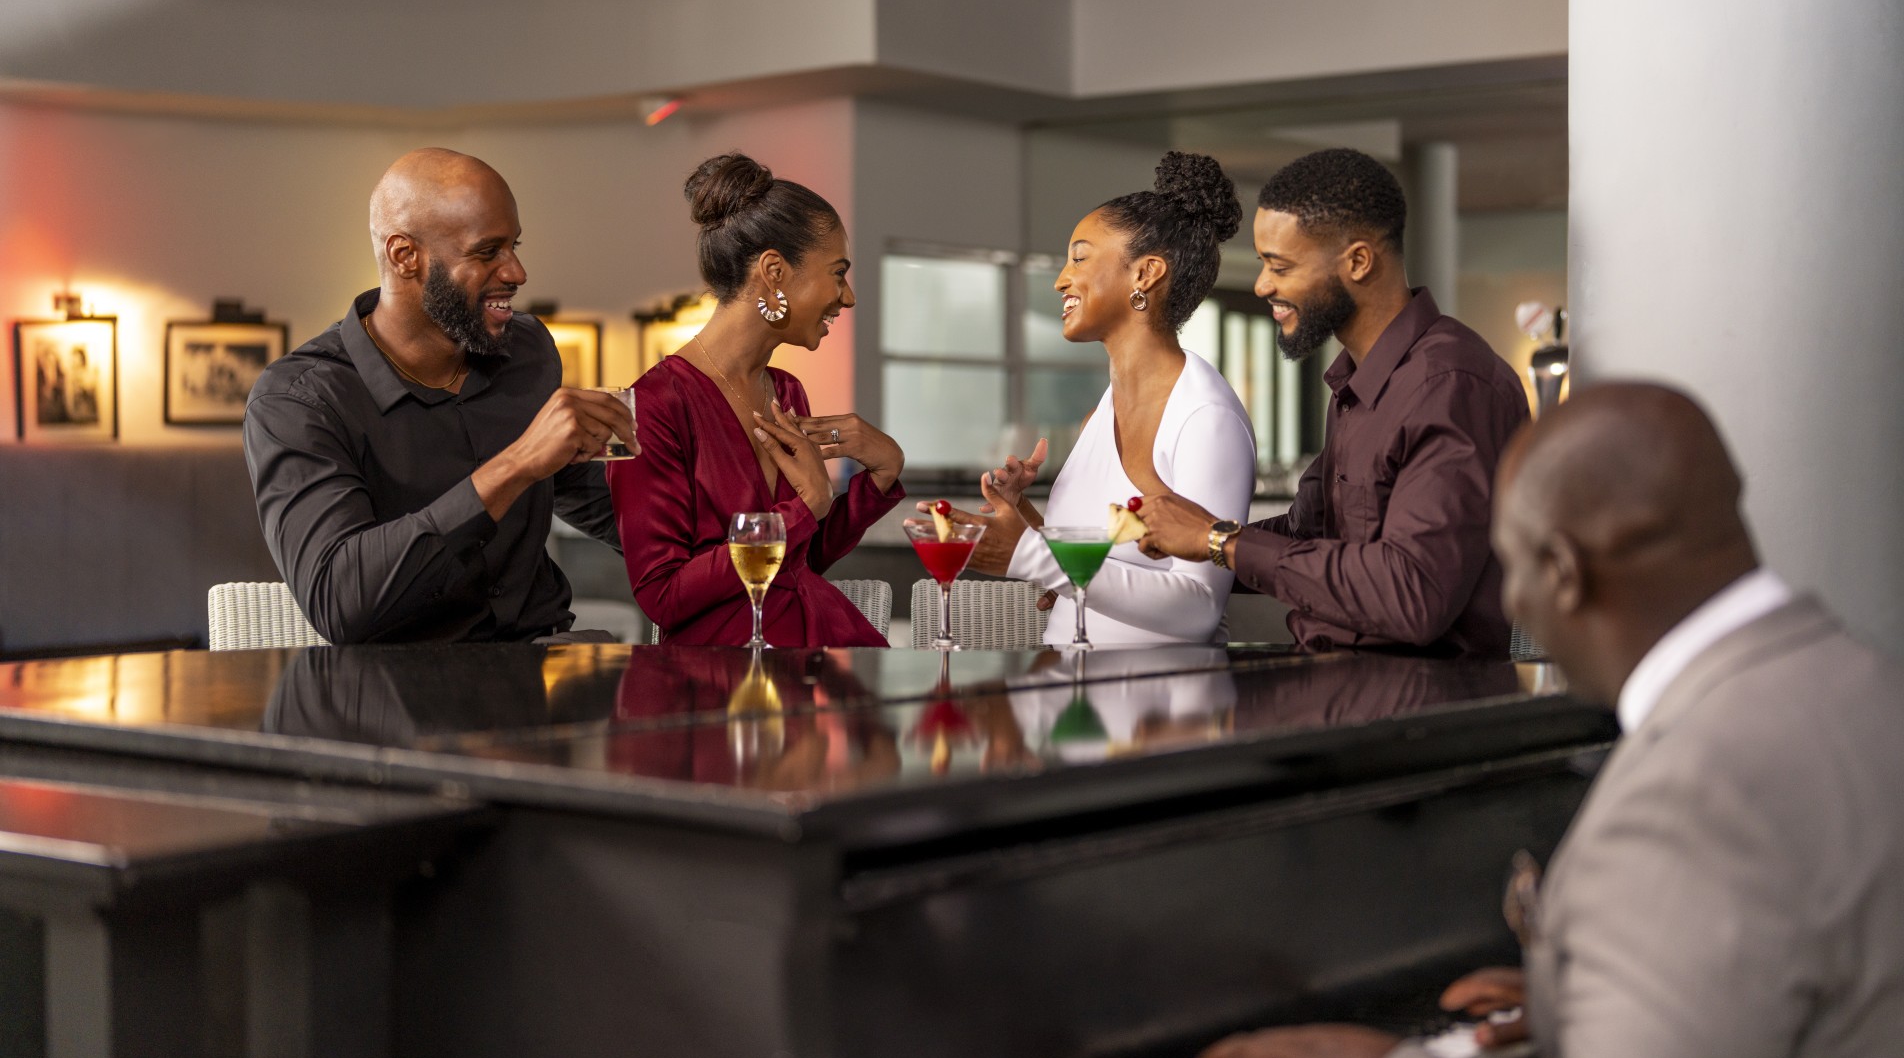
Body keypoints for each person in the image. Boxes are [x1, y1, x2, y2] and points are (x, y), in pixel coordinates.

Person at [1184, 383, 1904, 1058]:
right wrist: (1600, 1014)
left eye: (1514, 565)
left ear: (1564, 572)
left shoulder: (1689, 801)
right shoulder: (1884, 690)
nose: (1512, 599)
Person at [1138, 148, 1528, 656]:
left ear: (1359, 262)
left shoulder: (1451, 384)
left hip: (1411, 703)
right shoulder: (1357, 382)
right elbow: (1306, 533)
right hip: (1333, 680)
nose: (1261, 285)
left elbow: (1412, 593)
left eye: (1279, 266)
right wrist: (1158, 552)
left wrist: (1221, 542)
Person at [245, 148, 636, 645]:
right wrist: (513, 466)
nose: (516, 272)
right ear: (405, 256)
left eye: (514, 246)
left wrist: (732, 532)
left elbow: (580, 489)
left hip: (544, 667)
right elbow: (339, 601)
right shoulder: (299, 400)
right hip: (401, 694)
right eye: (487, 251)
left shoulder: (528, 351)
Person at [936, 151, 1256, 647]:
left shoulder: (1205, 419)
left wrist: (1028, 554)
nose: (1061, 279)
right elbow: (1097, 566)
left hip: (1162, 707)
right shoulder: (1098, 415)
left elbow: (1198, 608)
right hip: (1072, 694)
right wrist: (1022, 518)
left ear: (1146, 273)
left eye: (1080, 257)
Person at [610, 153, 904, 646]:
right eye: (837, 272)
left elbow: (800, 560)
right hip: (722, 679)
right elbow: (662, 594)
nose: (847, 297)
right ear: (774, 270)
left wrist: (883, 473)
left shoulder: (786, 391)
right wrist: (804, 505)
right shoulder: (649, 406)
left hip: (811, 648)